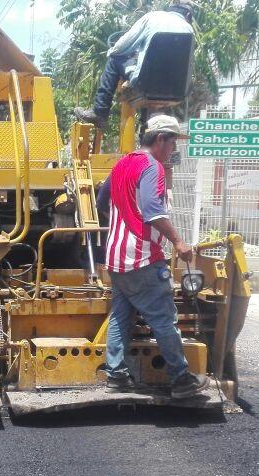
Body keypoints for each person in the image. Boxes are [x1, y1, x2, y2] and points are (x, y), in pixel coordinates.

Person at [96, 114, 208, 398]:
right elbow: (153, 211)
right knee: (163, 318)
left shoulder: (122, 164)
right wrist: (179, 242)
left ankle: (116, 375)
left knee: (121, 316)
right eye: (172, 144)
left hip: (117, 258)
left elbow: (101, 201)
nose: (173, 151)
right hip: (143, 258)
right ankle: (181, 379)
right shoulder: (151, 167)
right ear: (161, 139)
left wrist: (125, 222)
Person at [74, 0, 194, 128]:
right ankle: (147, 130)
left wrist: (112, 51)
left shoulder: (152, 18)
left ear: (169, 9)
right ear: (188, 15)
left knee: (115, 58)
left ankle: (100, 111)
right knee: (152, 83)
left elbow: (121, 46)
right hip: (177, 91)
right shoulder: (189, 30)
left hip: (145, 84)